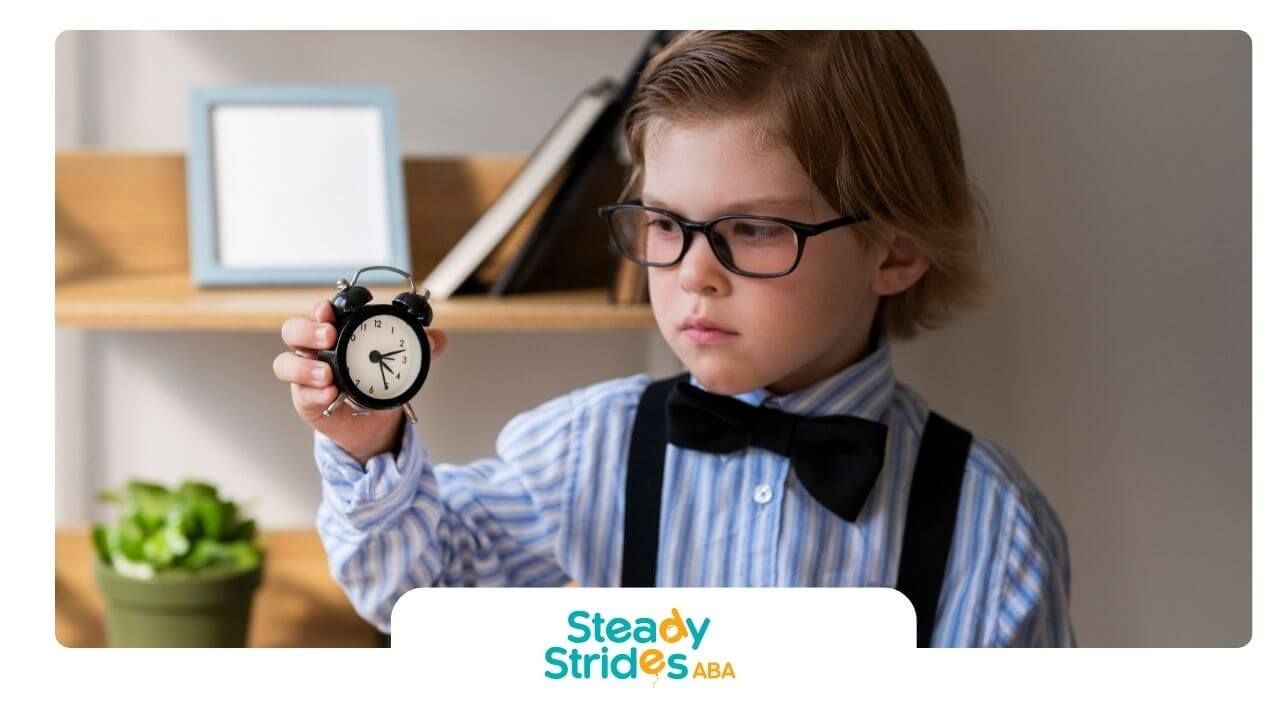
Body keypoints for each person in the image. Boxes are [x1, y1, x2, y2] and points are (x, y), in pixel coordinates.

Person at [273, 30, 1074, 647]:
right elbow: (417, 596)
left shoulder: (992, 528)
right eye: (664, 223)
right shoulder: (586, 450)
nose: (693, 274)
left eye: (753, 229)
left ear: (895, 251)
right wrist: (368, 443)